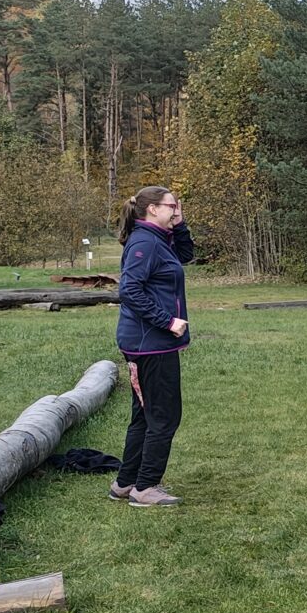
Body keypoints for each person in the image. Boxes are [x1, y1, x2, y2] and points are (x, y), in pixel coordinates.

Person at [112, 185, 193, 508]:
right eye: (171, 206)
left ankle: (125, 482)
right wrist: (167, 321)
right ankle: (145, 488)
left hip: (150, 343)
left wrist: (180, 225)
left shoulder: (157, 239)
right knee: (163, 417)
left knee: (145, 415)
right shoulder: (145, 242)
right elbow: (129, 290)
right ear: (152, 209)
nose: (176, 210)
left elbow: (185, 256)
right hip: (151, 343)